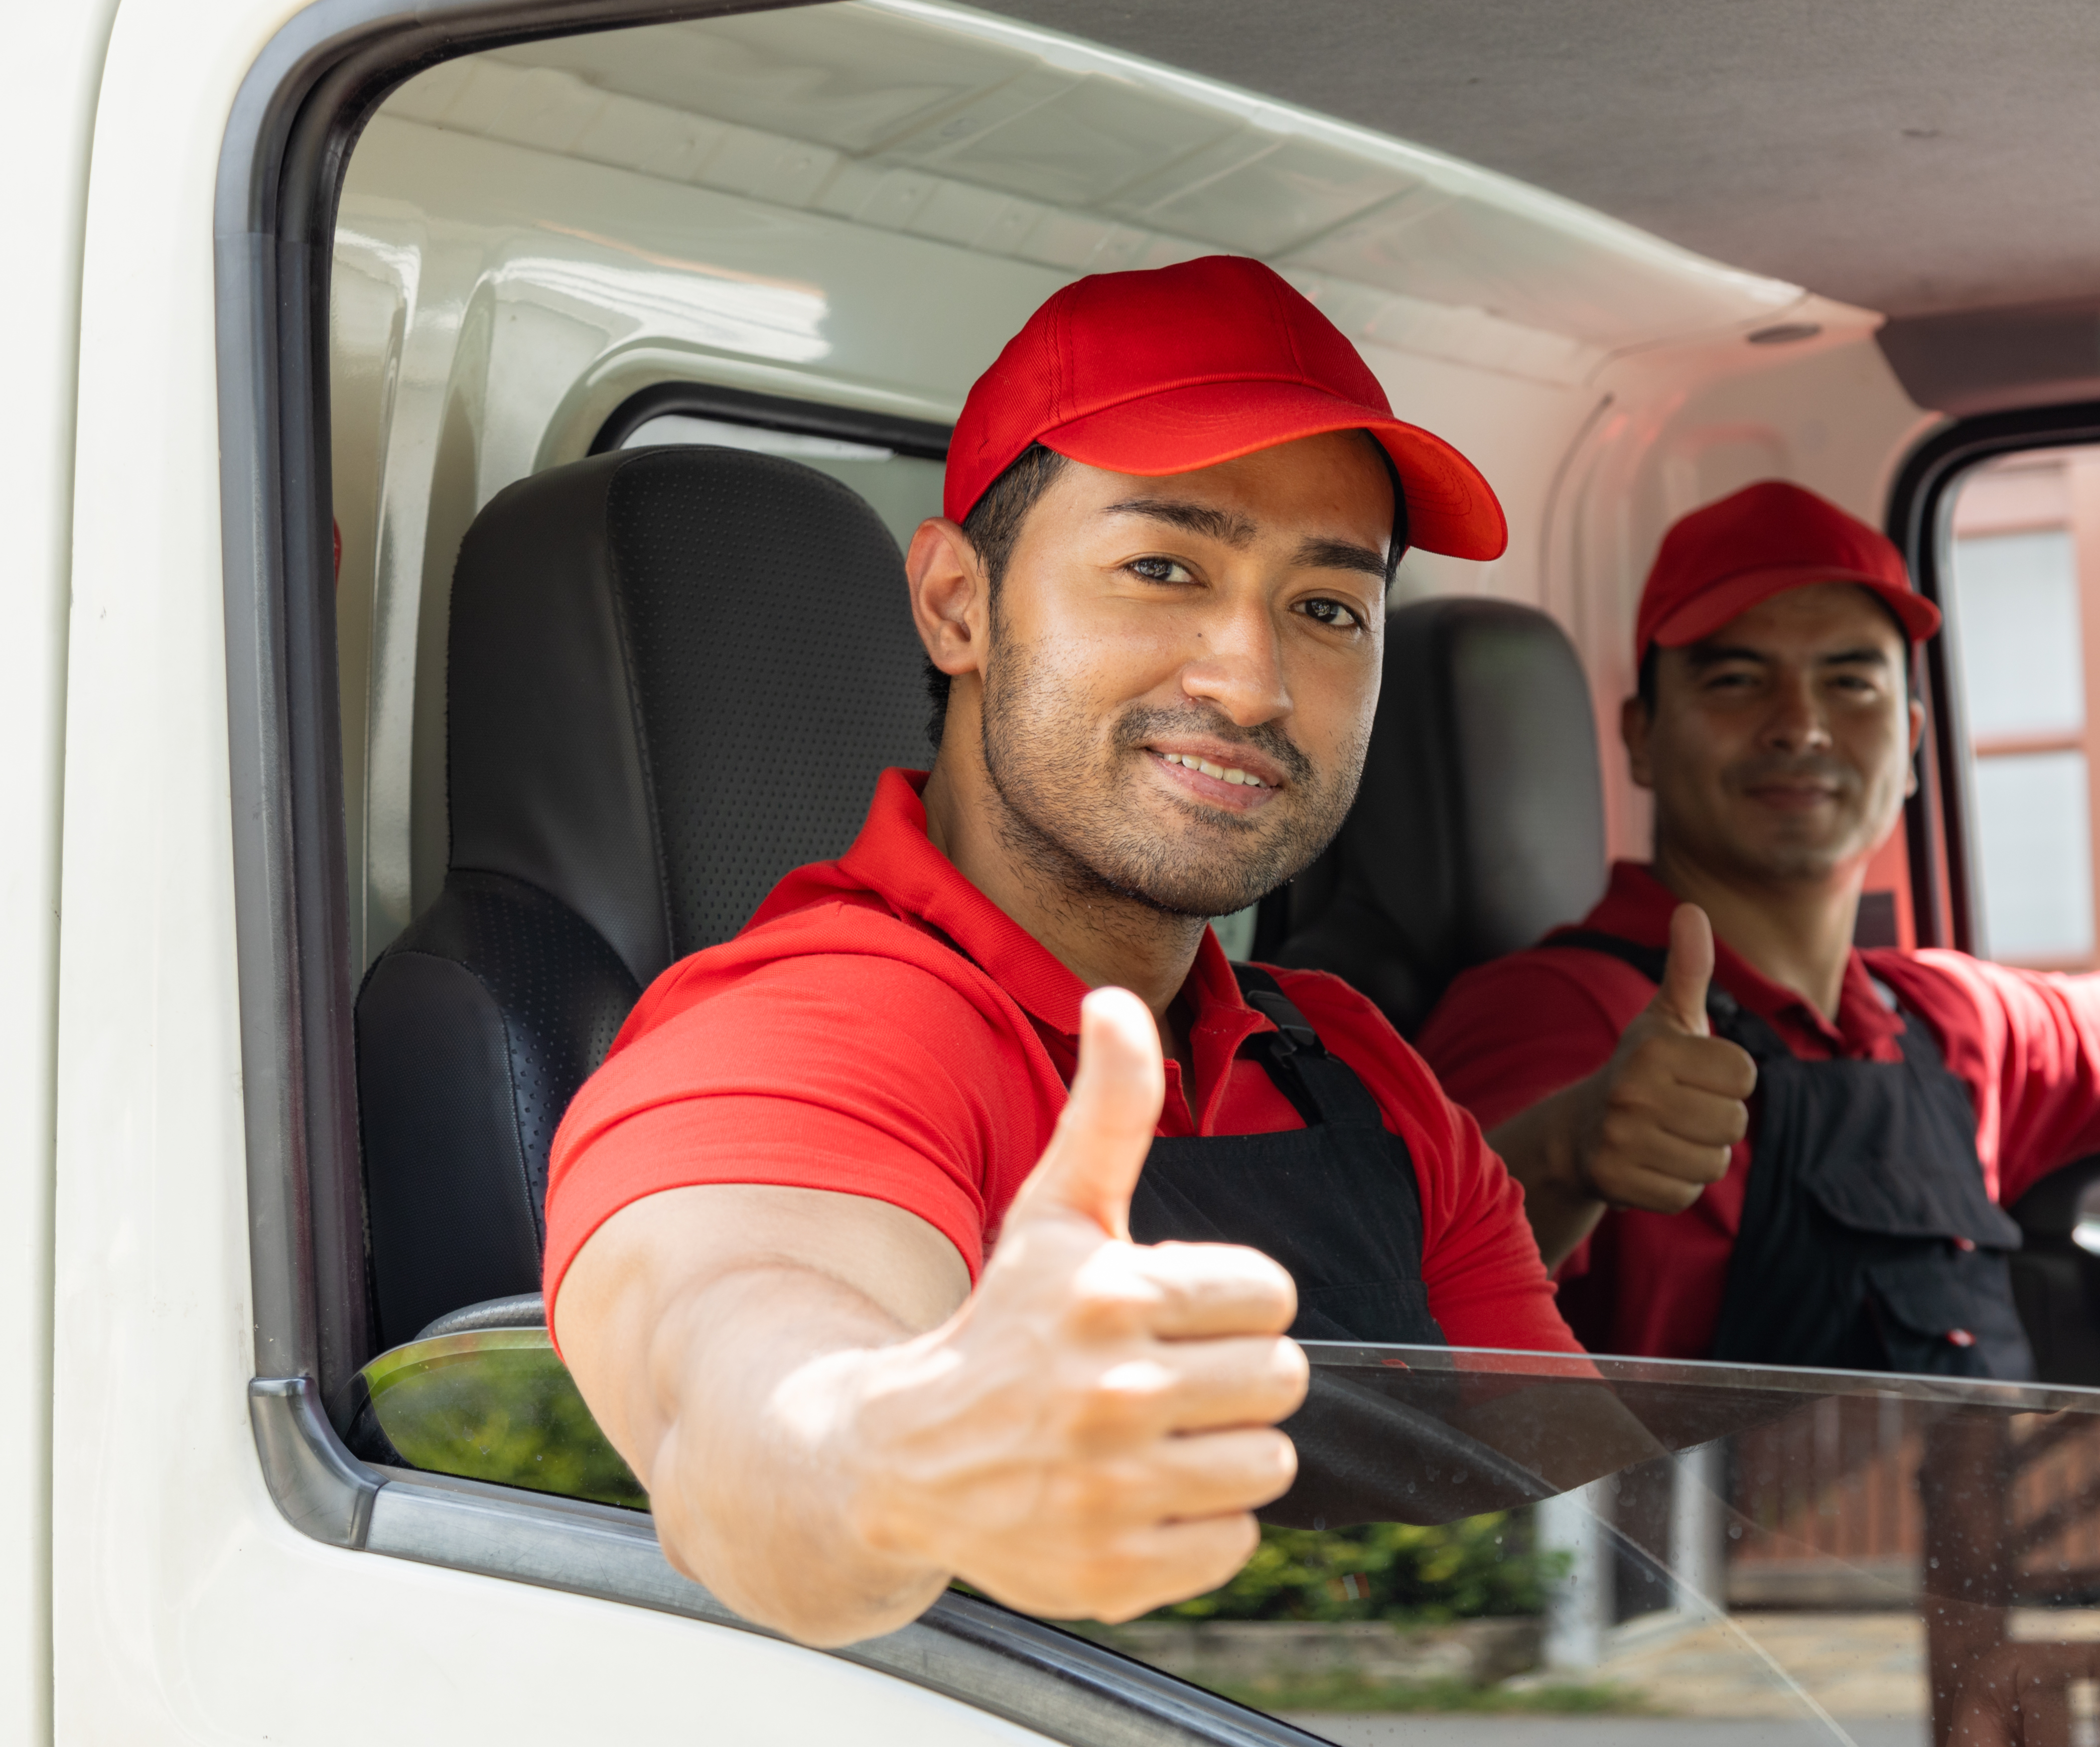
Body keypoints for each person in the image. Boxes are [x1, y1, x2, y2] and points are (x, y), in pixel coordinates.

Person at [547, 256, 1576, 1650]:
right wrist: (901, 1453)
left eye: (1326, 608)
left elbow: (1589, 1524)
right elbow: (732, 1372)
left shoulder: (1360, 1071)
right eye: (1162, 568)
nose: (1250, 679)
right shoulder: (816, 1025)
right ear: (956, 606)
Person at [1419, 480, 2100, 1382]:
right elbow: (1413, 1339)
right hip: (1745, 1652)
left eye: (1849, 682)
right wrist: (1566, 1154)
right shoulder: (1559, 1012)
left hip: (1992, 1617)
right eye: (1734, 678)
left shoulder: (1943, 1018)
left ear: (1910, 739)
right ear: (1640, 736)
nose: (1800, 724)